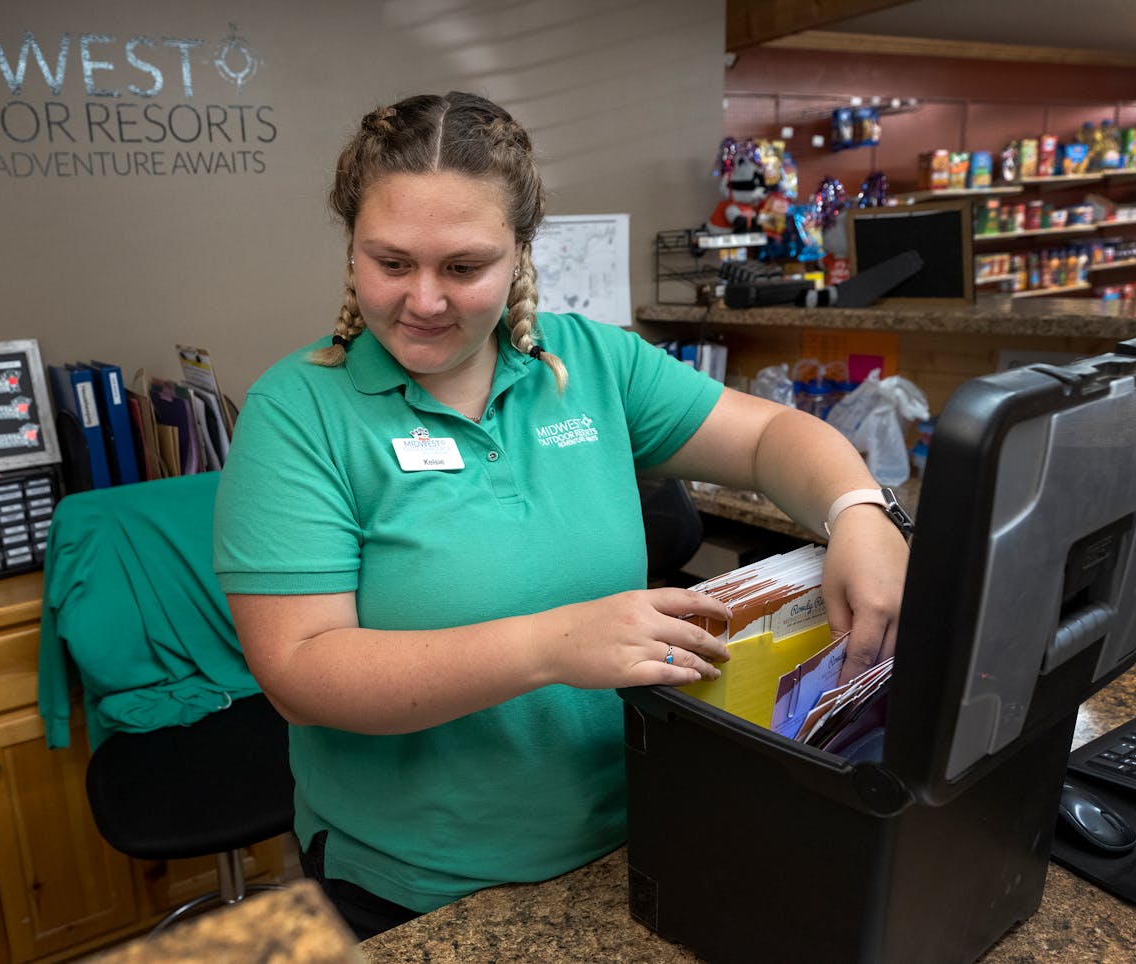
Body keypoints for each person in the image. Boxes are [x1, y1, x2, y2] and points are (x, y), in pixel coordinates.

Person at [213, 91, 910, 939]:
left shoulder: (588, 362)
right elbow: (300, 674)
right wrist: (546, 646)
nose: (424, 300)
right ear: (351, 249)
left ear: (520, 254)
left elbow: (769, 437)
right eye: (390, 262)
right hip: (422, 889)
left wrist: (859, 511)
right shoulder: (299, 412)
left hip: (634, 837)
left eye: (464, 267)